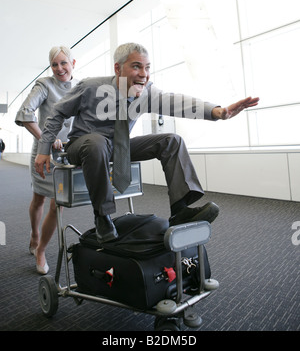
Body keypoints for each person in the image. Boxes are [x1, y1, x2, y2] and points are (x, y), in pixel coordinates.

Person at [35, 42, 259, 244]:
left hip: (118, 147)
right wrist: (44, 150)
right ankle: (103, 217)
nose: (144, 74)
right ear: (117, 68)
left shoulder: (145, 92)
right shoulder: (91, 87)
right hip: (83, 146)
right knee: (96, 143)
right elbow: (57, 113)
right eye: (136, 67)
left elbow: (178, 102)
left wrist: (217, 111)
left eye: (147, 68)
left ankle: (180, 209)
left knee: (171, 141)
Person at [15, 46, 77, 274]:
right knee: (39, 199)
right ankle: (34, 234)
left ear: (73, 63)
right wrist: (48, 139)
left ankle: (41, 250)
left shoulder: (80, 87)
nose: (59, 68)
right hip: (44, 153)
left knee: (58, 204)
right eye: (54, 64)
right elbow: (25, 114)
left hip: (67, 154)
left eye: (64, 63)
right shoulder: (44, 85)